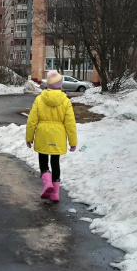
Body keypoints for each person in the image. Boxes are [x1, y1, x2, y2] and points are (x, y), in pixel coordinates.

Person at [25, 70, 78, 202]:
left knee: (43, 160)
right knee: (55, 163)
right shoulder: (65, 101)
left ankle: (47, 183)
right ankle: (55, 193)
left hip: (43, 135)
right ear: (60, 85)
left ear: (48, 85)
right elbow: (70, 123)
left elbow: (32, 121)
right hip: (58, 136)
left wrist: (29, 137)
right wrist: (73, 142)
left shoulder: (39, 99)